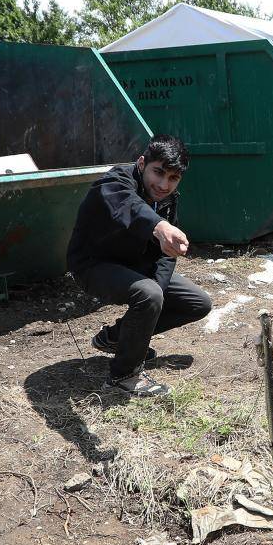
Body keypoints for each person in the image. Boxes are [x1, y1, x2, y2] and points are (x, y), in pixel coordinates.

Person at [66, 135, 212, 398]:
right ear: (142, 163)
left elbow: (166, 256)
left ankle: (117, 337)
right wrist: (160, 227)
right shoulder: (116, 182)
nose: (164, 184)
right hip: (93, 265)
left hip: (134, 266)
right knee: (149, 294)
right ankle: (124, 375)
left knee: (198, 302)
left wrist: (155, 294)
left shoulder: (167, 198)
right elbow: (128, 206)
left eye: (173, 178)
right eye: (159, 173)